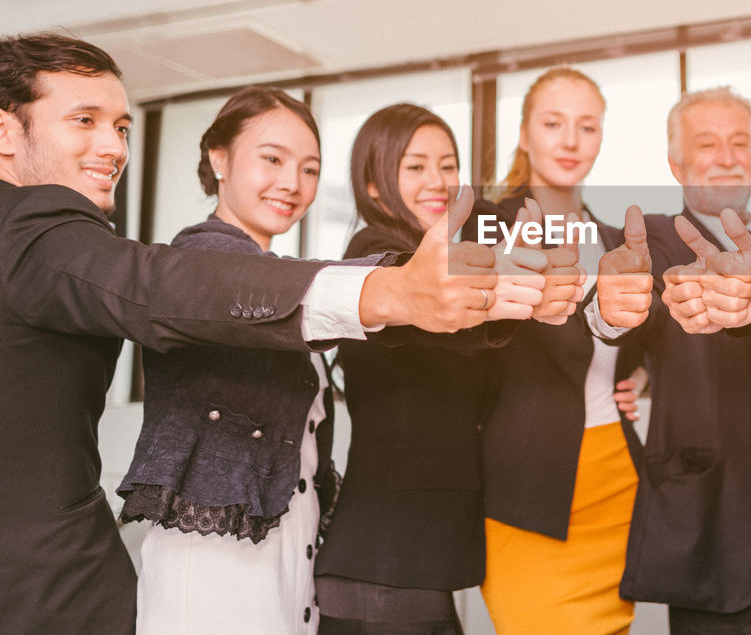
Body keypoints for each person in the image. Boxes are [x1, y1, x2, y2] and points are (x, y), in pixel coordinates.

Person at [0, 33, 530, 633]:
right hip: (200, 573)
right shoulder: (48, 229)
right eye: (84, 120)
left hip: (279, 560)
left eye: (121, 127)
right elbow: (170, 285)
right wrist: (392, 289)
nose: (113, 145)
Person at [315, 103, 578, 634]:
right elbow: (433, 313)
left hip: (413, 560)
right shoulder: (375, 257)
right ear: (373, 184)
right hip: (384, 559)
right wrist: (508, 294)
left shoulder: (442, 252)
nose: (437, 181)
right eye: (414, 167)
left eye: (448, 165)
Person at [117, 87, 342, 633]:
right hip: (215, 565)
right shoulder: (201, 259)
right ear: (219, 159)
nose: (292, 183)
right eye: (272, 159)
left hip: (286, 555)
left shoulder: (270, 272)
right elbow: (293, 287)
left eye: (309, 169)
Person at [592, 86, 751, 633]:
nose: (728, 157)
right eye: (707, 144)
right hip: (711, 524)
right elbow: (625, 315)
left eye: (740, 143)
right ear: (676, 164)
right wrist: (614, 315)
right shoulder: (656, 241)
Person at [474, 67, 643, 635]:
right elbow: (461, 340)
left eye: (586, 127)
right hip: (529, 479)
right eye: (553, 124)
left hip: (617, 477)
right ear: (525, 133)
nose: (571, 141)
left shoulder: (616, 239)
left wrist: (644, 375)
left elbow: (641, 334)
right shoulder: (486, 227)